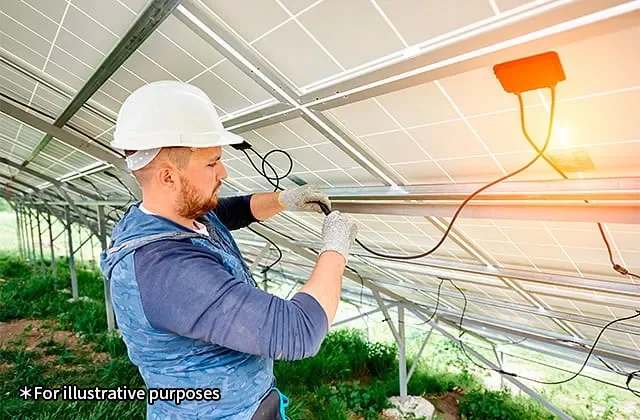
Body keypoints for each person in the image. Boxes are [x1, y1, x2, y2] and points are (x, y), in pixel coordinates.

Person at [99, 80, 358, 419]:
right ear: (167, 177)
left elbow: (226, 212)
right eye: (211, 163)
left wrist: (283, 200)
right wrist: (335, 250)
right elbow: (298, 332)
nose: (223, 172)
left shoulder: (168, 216)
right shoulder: (168, 270)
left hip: (242, 404)